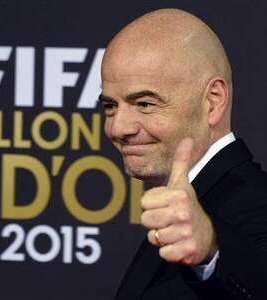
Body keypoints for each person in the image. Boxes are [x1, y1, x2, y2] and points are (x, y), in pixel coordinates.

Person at [99, 8, 267, 300]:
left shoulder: (255, 204)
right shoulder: (192, 198)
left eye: (145, 104)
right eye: (110, 106)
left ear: (213, 102)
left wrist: (211, 251)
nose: (118, 127)